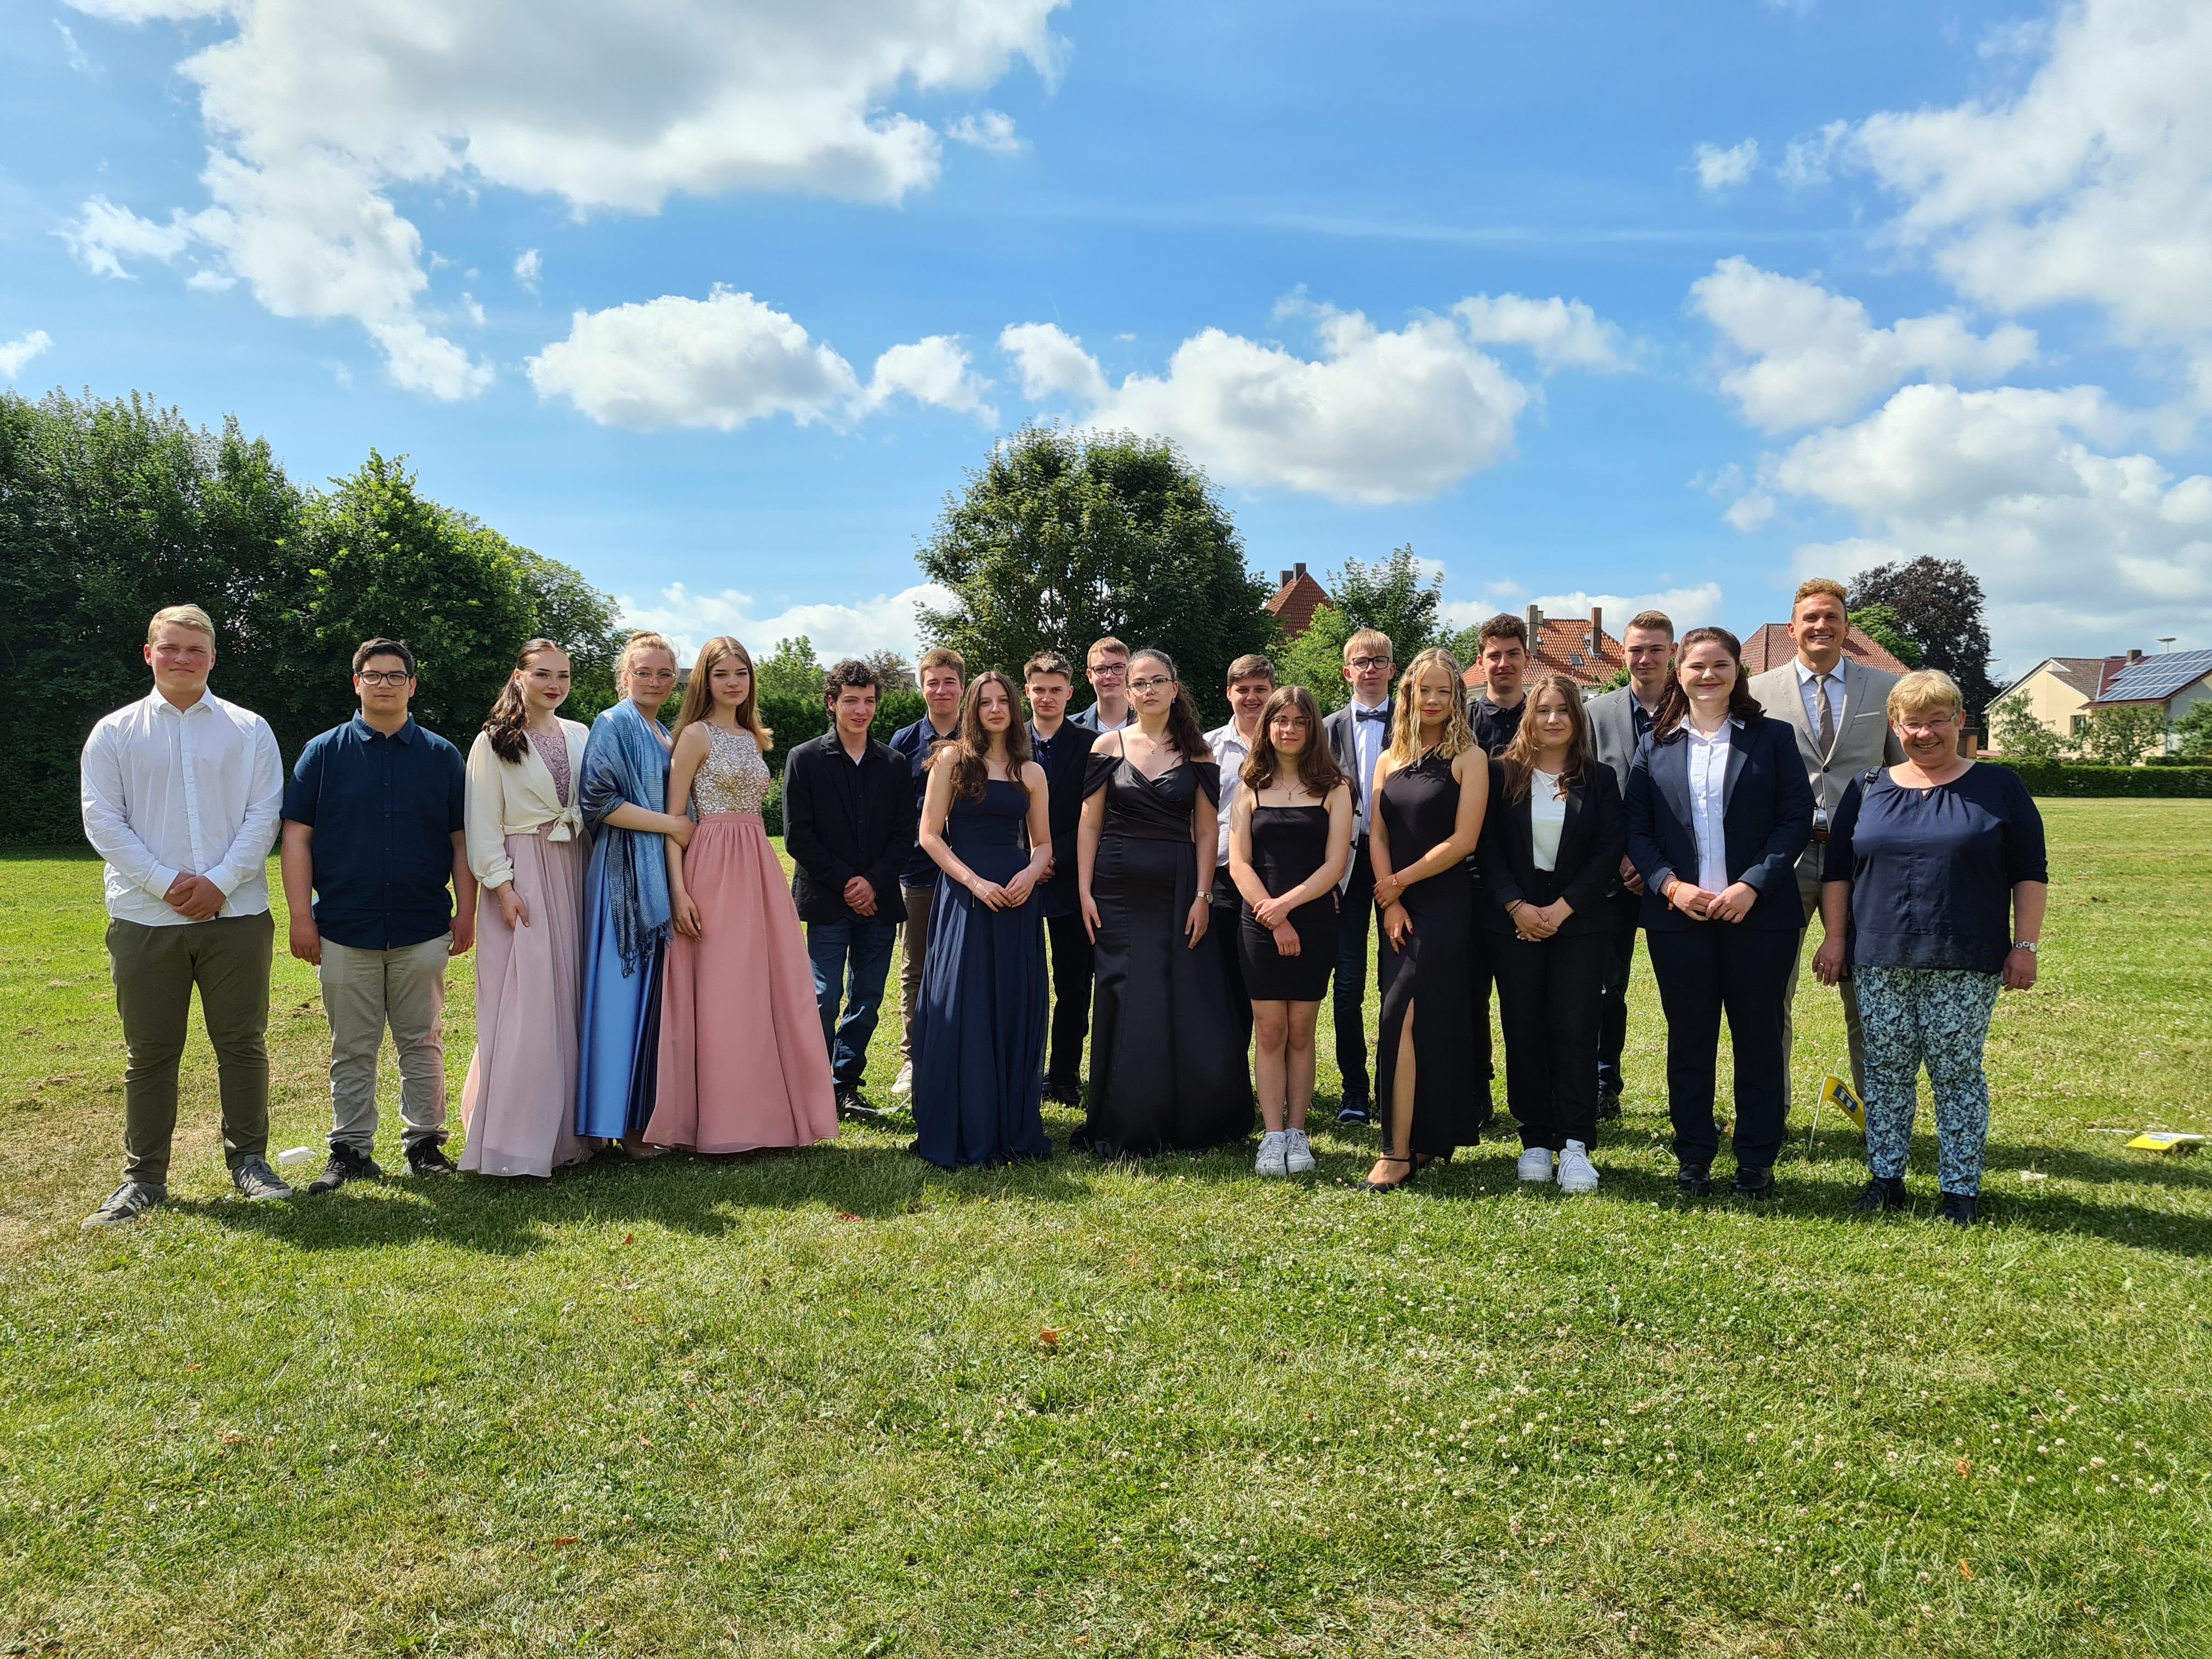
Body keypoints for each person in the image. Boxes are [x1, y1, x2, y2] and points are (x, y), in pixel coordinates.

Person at [78, 605, 289, 1227]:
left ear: (213, 658)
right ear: (149, 654)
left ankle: (250, 1163)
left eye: (195, 650)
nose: (182, 659)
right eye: (170, 648)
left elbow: (264, 816)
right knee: (150, 1052)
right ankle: (143, 1179)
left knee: (243, 1044)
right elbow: (103, 819)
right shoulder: (114, 732)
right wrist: (169, 884)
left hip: (237, 914)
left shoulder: (249, 729)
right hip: (146, 918)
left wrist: (219, 883)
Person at [1813, 670, 2047, 1227]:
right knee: (1887, 1071)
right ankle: (1886, 1179)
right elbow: (1839, 871)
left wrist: (2026, 946)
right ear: (1896, 727)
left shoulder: (2000, 787)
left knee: (1957, 1071)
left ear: (1959, 721)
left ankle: (1960, 1191)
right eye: (1912, 723)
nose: (1925, 733)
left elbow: (2030, 873)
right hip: (1879, 955)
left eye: (1937, 720)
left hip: (1965, 957)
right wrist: (1836, 937)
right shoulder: (1869, 787)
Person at [1626, 627, 1815, 1199]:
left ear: (1739, 671)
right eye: (1696, 666)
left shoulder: (1773, 738)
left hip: (1759, 918)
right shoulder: (1654, 743)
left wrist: (1752, 886)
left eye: (1719, 665)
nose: (1707, 676)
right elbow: (1637, 828)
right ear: (1679, 673)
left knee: (1757, 1039)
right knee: (1690, 1041)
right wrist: (1669, 887)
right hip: (1679, 918)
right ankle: (1694, 1156)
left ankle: (1756, 1160)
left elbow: (1794, 819)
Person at [280, 637, 474, 1193]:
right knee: (352, 1044)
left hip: (422, 923)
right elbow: (297, 838)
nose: (384, 683)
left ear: (412, 686)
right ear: (356, 683)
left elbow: (462, 841)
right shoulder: (324, 752)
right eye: (373, 674)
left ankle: (425, 1144)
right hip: (344, 924)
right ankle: (351, 1149)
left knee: (423, 1039)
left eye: (395, 675)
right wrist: (301, 916)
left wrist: (468, 912)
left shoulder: (441, 756)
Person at [648, 637, 838, 1153]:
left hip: (756, 860)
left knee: (767, 986)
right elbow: (672, 820)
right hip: (710, 862)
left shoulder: (755, 738)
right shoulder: (693, 735)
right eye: (721, 673)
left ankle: (768, 1115)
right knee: (722, 990)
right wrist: (679, 890)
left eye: (741, 673)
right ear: (704, 681)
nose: (733, 682)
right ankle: (719, 1121)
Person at [1077, 647, 1252, 1156]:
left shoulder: (1198, 752)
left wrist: (1202, 896)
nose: (1149, 690)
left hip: (1180, 888)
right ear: (1127, 692)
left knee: (1184, 996)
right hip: (1116, 888)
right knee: (1128, 994)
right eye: (1140, 683)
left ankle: (1191, 1116)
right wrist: (1085, 890)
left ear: (1176, 689)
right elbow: (1090, 822)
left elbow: (1204, 831)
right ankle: (1127, 1114)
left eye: (1159, 681)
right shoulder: (1107, 746)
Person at [1748, 577, 1903, 1097]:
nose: (1821, 626)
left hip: (1861, 865)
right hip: (1780, 863)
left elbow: (1906, 774)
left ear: (1846, 627)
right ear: (1792, 628)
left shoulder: (1883, 690)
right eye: (1810, 618)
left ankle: (1878, 1113)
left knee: (1868, 998)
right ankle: (1774, 1107)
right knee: (1771, 995)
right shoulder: (1755, 693)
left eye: (1831, 617)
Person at [1478, 675, 1624, 1194]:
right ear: (1529, 717)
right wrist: (1517, 905)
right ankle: (1536, 1138)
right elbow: (1487, 847)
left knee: (1576, 1028)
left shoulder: (1600, 779)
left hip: (1579, 921)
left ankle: (1577, 1143)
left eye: (1564, 710)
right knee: (1524, 1028)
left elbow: (1608, 852)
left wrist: (1562, 909)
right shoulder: (1501, 775)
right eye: (1543, 710)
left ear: (1577, 718)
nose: (1553, 719)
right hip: (1513, 923)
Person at [911, 672, 1056, 1167]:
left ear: (1015, 709)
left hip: (1017, 901)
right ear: (972, 709)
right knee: (964, 1004)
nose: (995, 709)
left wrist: (1032, 875)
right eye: (985, 702)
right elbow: (930, 836)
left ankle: (1012, 1124)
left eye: (1003, 702)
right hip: (967, 898)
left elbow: (1044, 845)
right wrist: (974, 883)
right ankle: (965, 1121)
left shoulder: (1030, 771)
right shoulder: (951, 760)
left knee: (1013, 1002)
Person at [460, 639, 593, 1178]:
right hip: (522, 875)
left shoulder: (581, 734)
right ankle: (516, 1140)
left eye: (562, 675)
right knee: (526, 1003)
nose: (554, 684)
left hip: (577, 867)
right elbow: (481, 820)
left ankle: (571, 1135)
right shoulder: (493, 741)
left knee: (570, 996)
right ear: (519, 677)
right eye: (543, 674)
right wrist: (501, 885)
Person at [1358, 648, 1489, 1192]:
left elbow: (1464, 841)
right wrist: (1389, 902)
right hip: (1396, 907)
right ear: (1408, 695)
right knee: (1408, 1018)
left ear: (1457, 698)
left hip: (1446, 904)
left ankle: (1398, 1150)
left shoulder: (1469, 758)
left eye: (1443, 691)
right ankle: (1420, 1139)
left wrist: (1400, 885)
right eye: (1423, 690)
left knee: (1408, 1017)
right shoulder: (1389, 760)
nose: (1432, 700)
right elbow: (1379, 834)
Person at [784, 658, 917, 1120]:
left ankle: (845, 1084)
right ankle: (813, 1085)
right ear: (832, 703)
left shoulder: (895, 764)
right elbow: (798, 836)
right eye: (851, 701)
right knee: (823, 995)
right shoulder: (804, 759)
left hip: (879, 903)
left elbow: (906, 834)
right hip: (826, 900)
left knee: (867, 997)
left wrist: (872, 882)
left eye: (869, 701)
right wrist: (848, 882)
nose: (861, 710)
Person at [1228, 685, 1352, 1176]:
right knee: (1270, 1030)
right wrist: (1270, 913)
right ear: (1268, 727)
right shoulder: (1250, 785)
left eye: (1300, 721)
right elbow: (1239, 862)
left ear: (1313, 728)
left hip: (1314, 919)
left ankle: (1298, 1132)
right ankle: (1272, 1134)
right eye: (1281, 721)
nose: (1289, 729)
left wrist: (1287, 908)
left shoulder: (1335, 788)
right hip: (1258, 923)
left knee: (1301, 1031)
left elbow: (1335, 865)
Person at [575, 631, 689, 1154]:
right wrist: (669, 825)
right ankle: (612, 1123)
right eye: (644, 671)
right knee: (621, 994)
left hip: (659, 871)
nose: (655, 681)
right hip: (622, 874)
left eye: (665, 673)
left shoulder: (663, 730)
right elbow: (597, 800)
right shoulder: (613, 722)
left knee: (653, 998)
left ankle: (643, 1117)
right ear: (625, 675)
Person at [1584, 610, 1675, 1118]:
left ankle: (1689, 1095)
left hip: (1678, 878)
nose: (1645, 658)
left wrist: (1661, 867)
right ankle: (1604, 1084)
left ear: (1673, 652)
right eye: (1636, 649)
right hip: (1613, 876)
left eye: (1655, 649)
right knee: (1605, 986)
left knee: (1685, 990)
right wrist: (1621, 858)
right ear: (1624, 653)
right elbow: (1585, 792)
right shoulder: (1597, 714)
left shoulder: (1697, 709)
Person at [1322, 628, 1400, 1126]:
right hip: (1344, 865)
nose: (1370, 669)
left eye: (1379, 661)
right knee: (1348, 985)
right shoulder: (1324, 729)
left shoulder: (1416, 723)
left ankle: (1398, 1084)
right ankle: (1355, 1090)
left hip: (1400, 864)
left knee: (1398, 981)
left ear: (1393, 669)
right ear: (1347, 671)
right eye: (1360, 662)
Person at [1460, 612, 1533, 1140]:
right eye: (1494, 654)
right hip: (1465, 880)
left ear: (1525, 658)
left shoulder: (1546, 715)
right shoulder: (1462, 719)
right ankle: (1476, 1091)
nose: (1503, 663)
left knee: (1523, 998)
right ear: (1481, 660)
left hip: (1529, 880)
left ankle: (1531, 1095)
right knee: (1468, 996)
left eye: (1512, 654)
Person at [889, 647, 967, 1101]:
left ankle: (959, 1050)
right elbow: (896, 812)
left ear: (962, 685)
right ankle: (913, 1059)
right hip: (919, 872)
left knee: (965, 964)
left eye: (949, 682)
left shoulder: (979, 735)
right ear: (922, 687)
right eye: (932, 682)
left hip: (971, 870)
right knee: (915, 966)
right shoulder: (903, 742)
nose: (940, 690)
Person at [1024, 652, 1101, 1107]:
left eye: (1056, 690)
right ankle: (1024, 1072)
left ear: (1070, 692)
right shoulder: (1007, 742)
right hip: (1020, 879)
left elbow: (1097, 812)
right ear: (1027, 691)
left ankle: (1065, 1075)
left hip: (1072, 878)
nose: (1047, 697)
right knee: (1024, 981)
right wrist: (1031, 856)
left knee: (1074, 984)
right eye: (1039, 689)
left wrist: (1054, 853)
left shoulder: (1092, 744)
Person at [1205, 653, 1277, 1059]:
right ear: (1229, 693)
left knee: (1268, 983)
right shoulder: (1209, 747)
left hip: (1277, 877)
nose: (1252, 698)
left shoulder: (1293, 742)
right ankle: (1228, 1072)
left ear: (1273, 691)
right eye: (1243, 690)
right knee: (1225, 980)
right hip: (1222, 877)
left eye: (1260, 690)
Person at [1070, 636, 1136, 732]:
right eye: (1101, 669)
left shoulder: (1152, 725)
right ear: (1090, 676)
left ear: (1130, 672)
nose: (1109, 675)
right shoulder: (1069, 729)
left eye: (1118, 667)